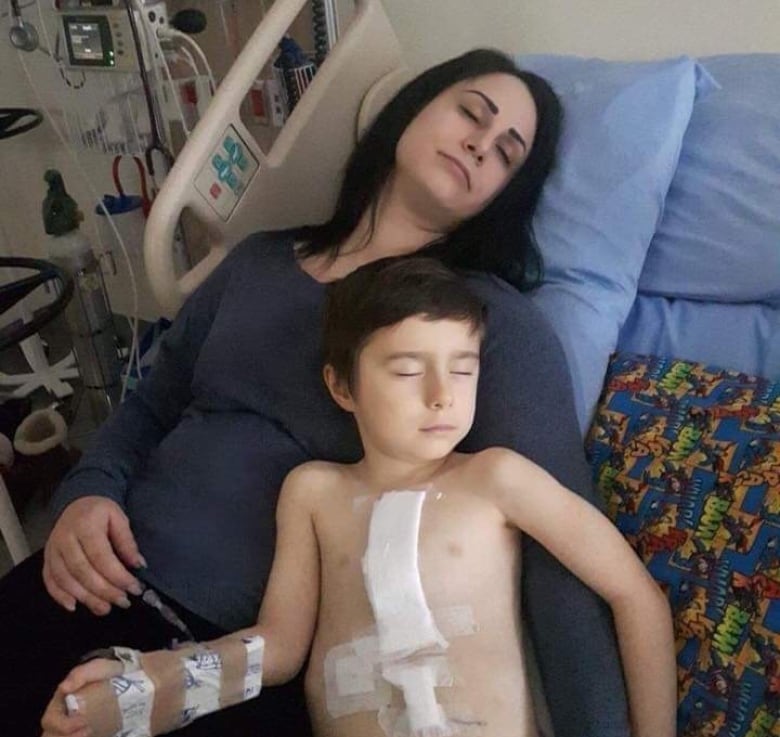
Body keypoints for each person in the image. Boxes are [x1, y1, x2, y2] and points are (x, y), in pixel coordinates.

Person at [0, 49, 630, 737]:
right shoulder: (258, 262)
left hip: (240, 660)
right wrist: (86, 490)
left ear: (503, 195)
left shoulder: (482, 325)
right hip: (90, 576)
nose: (482, 143)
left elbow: (561, 563)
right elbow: (151, 403)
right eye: (470, 112)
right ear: (408, 110)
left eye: (507, 153)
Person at [40, 258, 676, 737]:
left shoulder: (496, 478)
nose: (441, 395)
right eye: (406, 370)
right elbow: (280, 650)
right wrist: (151, 688)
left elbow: (635, 596)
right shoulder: (313, 492)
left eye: (463, 368)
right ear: (342, 387)